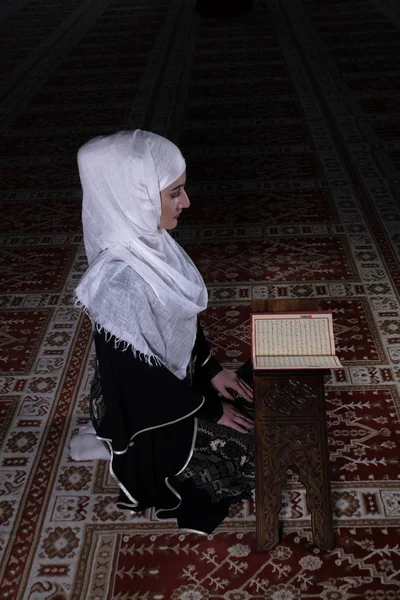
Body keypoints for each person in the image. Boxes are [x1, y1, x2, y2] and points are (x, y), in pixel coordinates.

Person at [69, 130, 255, 534]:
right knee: (243, 449)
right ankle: (118, 447)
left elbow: (179, 322)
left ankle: (108, 436)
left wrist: (211, 369)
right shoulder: (118, 282)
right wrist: (208, 410)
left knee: (251, 391)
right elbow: (141, 383)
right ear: (134, 196)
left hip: (162, 386)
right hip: (144, 409)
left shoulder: (150, 243)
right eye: (175, 193)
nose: (186, 202)